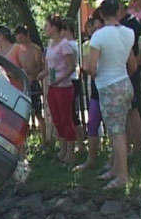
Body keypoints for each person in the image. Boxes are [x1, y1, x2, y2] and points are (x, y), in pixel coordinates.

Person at [86, 0, 136, 190]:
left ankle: (122, 176)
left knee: (116, 134)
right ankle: (116, 169)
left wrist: (96, 74)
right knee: (120, 129)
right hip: (125, 83)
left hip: (109, 86)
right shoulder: (129, 33)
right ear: (118, 12)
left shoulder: (99, 36)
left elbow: (90, 66)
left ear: (101, 14)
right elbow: (132, 65)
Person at [38, 15, 76, 165]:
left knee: (66, 119)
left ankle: (71, 154)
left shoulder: (65, 45)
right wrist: (43, 74)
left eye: (47, 26)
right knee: (57, 119)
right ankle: (62, 150)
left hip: (64, 88)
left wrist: (60, 79)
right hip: (53, 87)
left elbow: (71, 67)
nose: (45, 29)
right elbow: (49, 66)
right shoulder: (50, 44)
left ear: (54, 27)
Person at [75, 14, 105, 172]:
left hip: (108, 86)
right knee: (92, 123)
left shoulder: (108, 40)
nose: (93, 28)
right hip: (95, 88)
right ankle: (92, 159)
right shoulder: (91, 43)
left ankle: (115, 160)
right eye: (90, 25)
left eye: (95, 24)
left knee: (114, 127)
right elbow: (88, 66)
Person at [118, 0, 141, 154]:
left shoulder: (131, 25)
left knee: (133, 109)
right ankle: (127, 146)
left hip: (132, 69)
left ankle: (138, 146)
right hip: (121, 70)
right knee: (125, 111)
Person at [13, 25, 46, 142]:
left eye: (22, 37)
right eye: (18, 38)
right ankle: (23, 142)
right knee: (21, 115)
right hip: (21, 84)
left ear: (27, 35)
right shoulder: (16, 50)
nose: (20, 40)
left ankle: (44, 139)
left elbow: (39, 68)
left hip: (32, 82)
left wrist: (29, 70)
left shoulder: (35, 50)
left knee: (38, 113)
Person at [62, 17, 86, 153]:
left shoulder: (70, 45)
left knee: (71, 115)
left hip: (70, 80)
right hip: (72, 79)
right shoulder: (72, 44)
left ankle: (80, 145)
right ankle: (80, 144)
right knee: (71, 114)